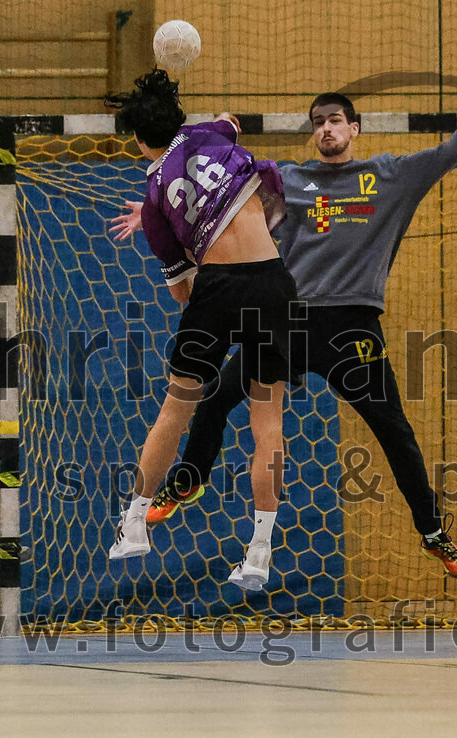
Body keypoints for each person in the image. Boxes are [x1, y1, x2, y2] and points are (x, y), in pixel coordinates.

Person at [111, 63, 457, 580]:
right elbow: (204, 202)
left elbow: (453, 152)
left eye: (335, 120)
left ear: (355, 128)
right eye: (317, 122)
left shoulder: (390, 176)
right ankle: (186, 480)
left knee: (394, 431)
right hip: (290, 319)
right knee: (214, 399)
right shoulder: (284, 178)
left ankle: (433, 532)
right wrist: (153, 213)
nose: (325, 128)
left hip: (353, 329)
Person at [104, 69, 298, 592]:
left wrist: (161, 222)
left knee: (177, 406)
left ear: (142, 141)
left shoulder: (152, 197)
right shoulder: (210, 134)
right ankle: (259, 554)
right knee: (268, 421)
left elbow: (183, 291)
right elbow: (231, 121)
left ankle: (136, 523)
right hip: (274, 283)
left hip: (217, 288)